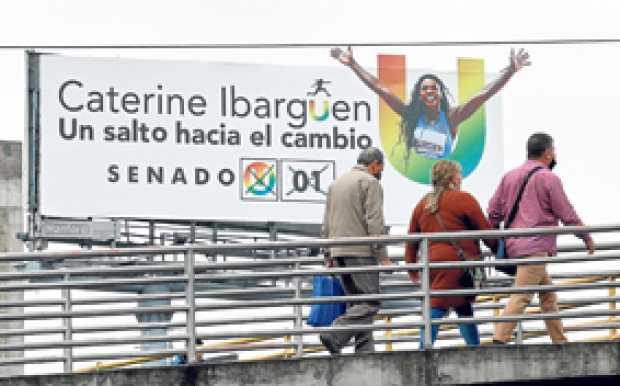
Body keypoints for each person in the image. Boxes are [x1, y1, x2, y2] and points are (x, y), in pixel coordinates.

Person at [330, 46, 530, 160]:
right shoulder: (410, 114)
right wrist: (353, 65)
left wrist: (511, 70)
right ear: (419, 95)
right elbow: (379, 88)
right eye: (425, 89)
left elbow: (484, 93)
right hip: (417, 182)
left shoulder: (452, 117)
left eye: (434, 88)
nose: (430, 91)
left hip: (444, 179)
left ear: (440, 94)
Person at [488, 132, 595, 344]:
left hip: (514, 246)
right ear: (547, 153)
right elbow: (566, 212)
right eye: (554, 150)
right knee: (523, 295)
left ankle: (559, 340)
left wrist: (494, 241)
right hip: (535, 247)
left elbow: (493, 212)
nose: (555, 154)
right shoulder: (549, 178)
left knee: (547, 293)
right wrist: (585, 236)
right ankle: (499, 339)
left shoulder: (509, 176)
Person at [404, 160, 496, 347]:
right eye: (459, 174)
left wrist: (412, 269)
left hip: (432, 266)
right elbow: (486, 231)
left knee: (460, 304)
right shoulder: (463, 199)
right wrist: (499, 251)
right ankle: (424, 350)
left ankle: (474, 347)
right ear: (453, 178)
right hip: (458, 265)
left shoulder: (423, 204)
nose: (461, 178)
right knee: (439, 304)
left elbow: (411, 240)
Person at [319, 147, 390, 354]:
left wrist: (328, 253)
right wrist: (382, 255)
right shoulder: (370, 182)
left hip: (338, 252)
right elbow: (374, 221)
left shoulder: (336, 183)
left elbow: (326, 224)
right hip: (361, 252)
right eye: (381, 167)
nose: (381, 171)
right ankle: (335, 332)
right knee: (370, 302)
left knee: (356, 305)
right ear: (375, 165)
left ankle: (364, 352)